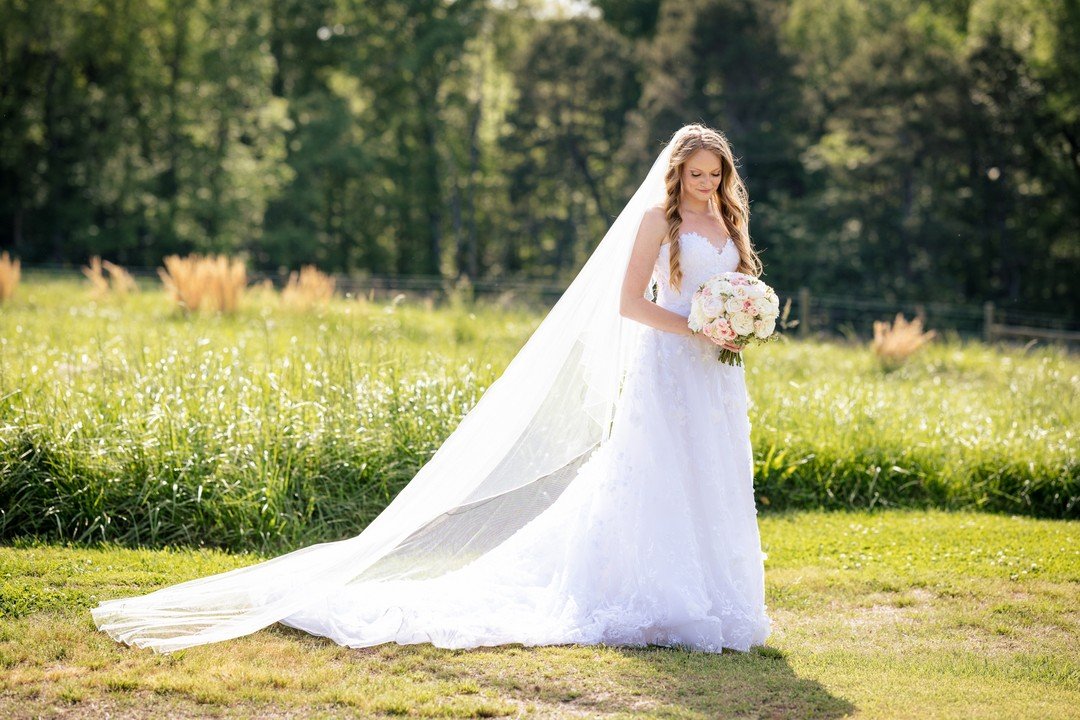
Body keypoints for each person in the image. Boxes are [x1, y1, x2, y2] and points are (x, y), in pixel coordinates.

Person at [92, 123, 772, 654]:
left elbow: (735, 292)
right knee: (656, 477)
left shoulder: (731, 221)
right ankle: (658, 600)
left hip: (713, 379)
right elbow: (629, 303)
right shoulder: (661, 222)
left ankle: (721, 599)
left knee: (712, 475)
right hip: (667, 370)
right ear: (675, 173)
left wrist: (737, 326)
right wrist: (695, 330)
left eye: (714, 176)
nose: (704, 186)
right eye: (694, 175)